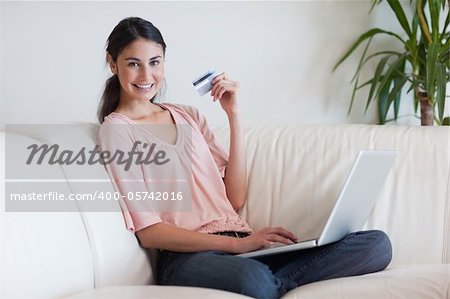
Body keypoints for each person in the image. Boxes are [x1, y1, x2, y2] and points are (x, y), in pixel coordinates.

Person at [97, 17, 392, 299]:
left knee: (376, 245)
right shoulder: (117, 132)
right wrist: (236, 247)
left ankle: (273, 284)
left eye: (154, 62)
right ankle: (268, 283)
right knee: (254, 280)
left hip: (241, 247)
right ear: (112, 63)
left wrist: (234, 115)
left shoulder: (188, 115)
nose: (147, 76)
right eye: (133, 64)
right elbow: (150, 233)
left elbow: (235, 199)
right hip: (188, 258)